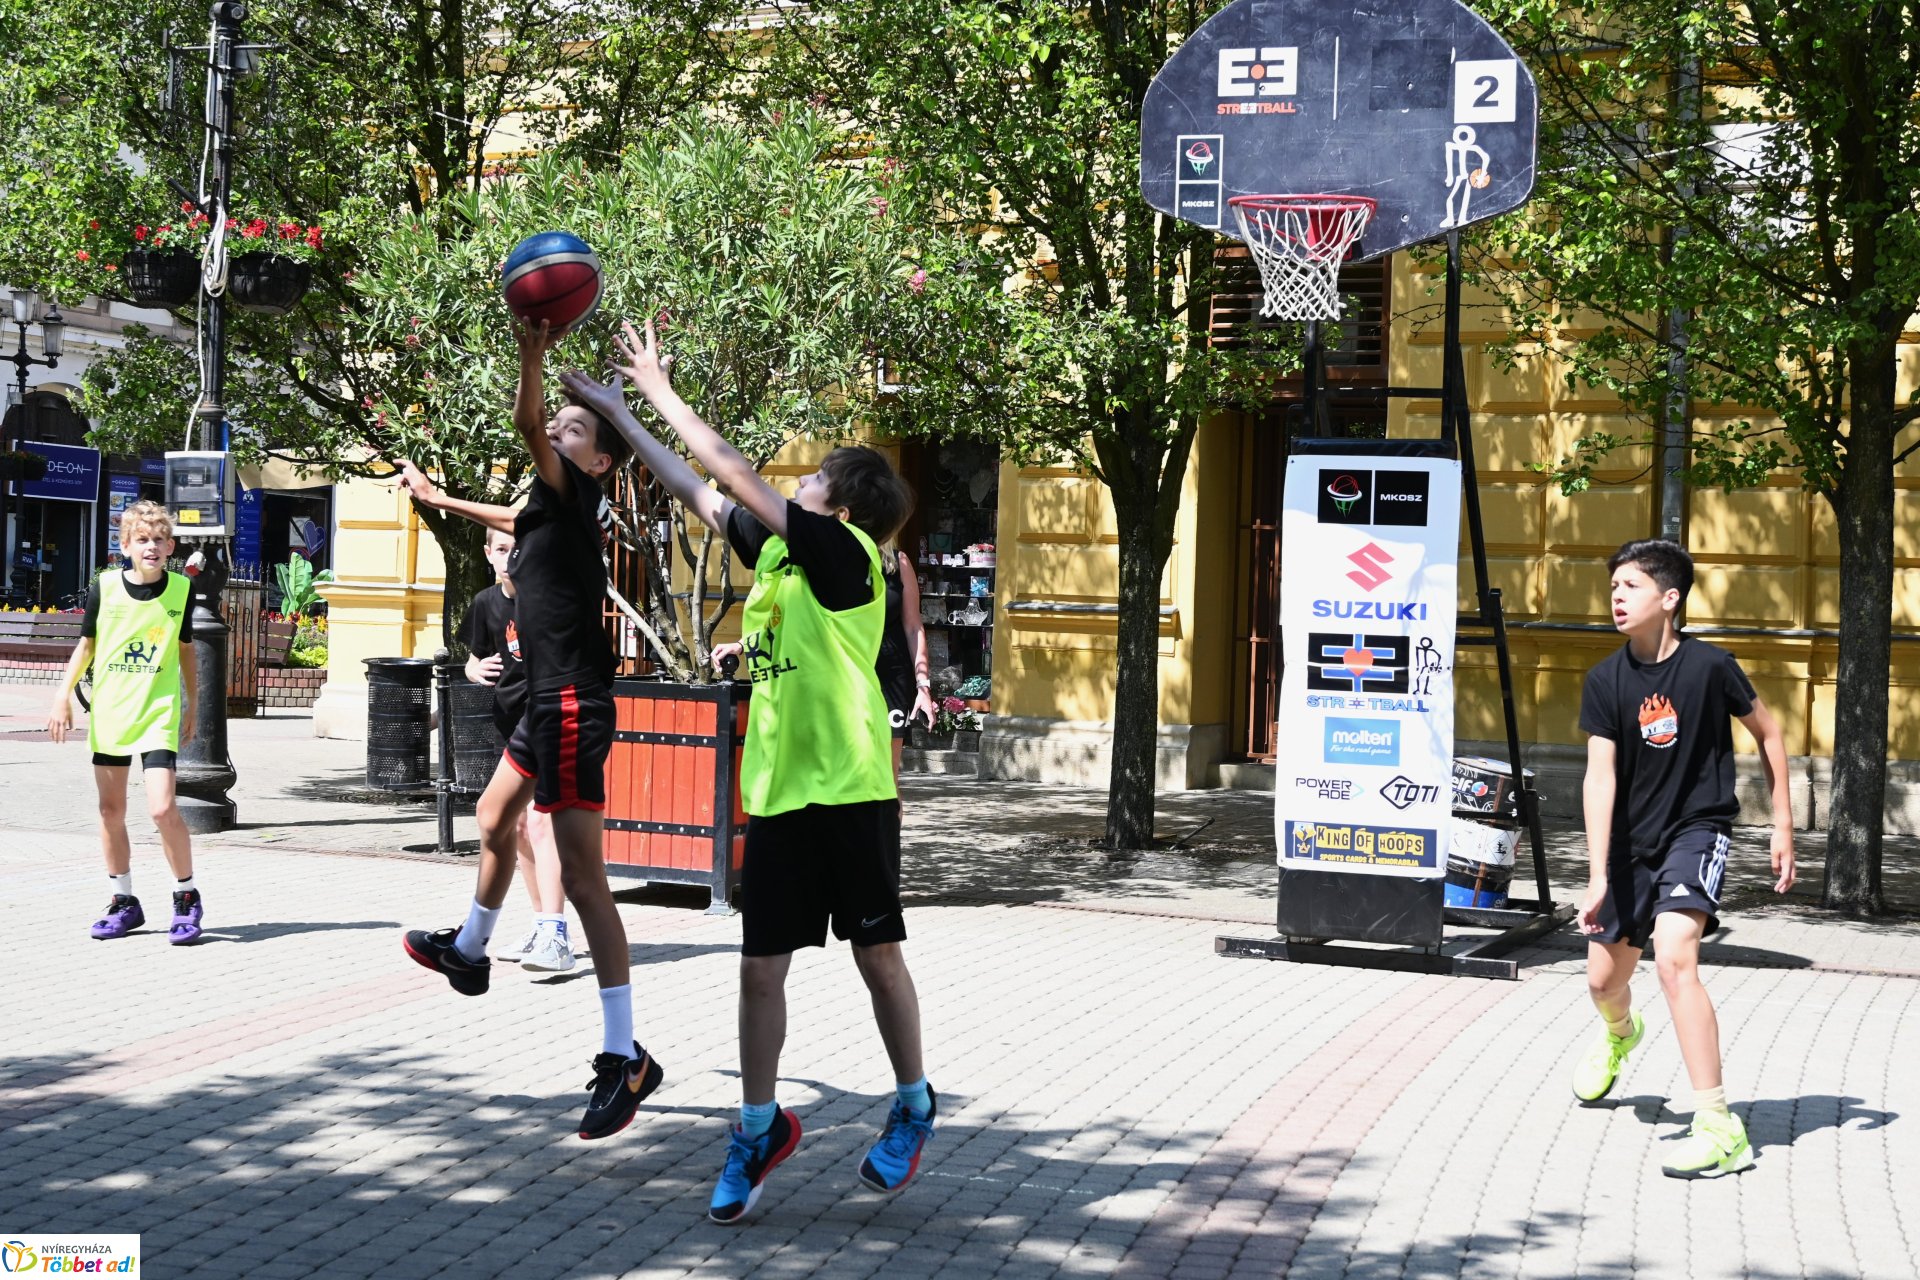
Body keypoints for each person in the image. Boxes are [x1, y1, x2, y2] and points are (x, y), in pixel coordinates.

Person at [561, 319, 935, 1225]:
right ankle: (759, 1126)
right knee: (758, 971)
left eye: (810, 480)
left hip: (850, 789)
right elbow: (694, 485)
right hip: (777, 797)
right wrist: (618, 412)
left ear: (839, 507)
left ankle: (914, 1101)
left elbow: (726, 465)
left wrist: (654, 386)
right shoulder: (780, 558)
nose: (794, 484)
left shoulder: (849, 558)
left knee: (876, 956)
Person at [398, 317, 663, 1141]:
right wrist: (440, 500)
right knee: (490, 818)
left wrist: (533, 354)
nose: (556, 428)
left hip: (575, 704)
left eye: (574, 428)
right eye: (559, 422)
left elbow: (524, 425)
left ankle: (628, 1059)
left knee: (585, 882)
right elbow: (516, 520)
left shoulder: (574, 488)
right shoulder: (548, 509)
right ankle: (471, 950)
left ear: (598, 461)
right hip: (543, 703)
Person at [1572, 538, 1795, 1179]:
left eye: (1631, 586)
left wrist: (1782, 825)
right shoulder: (1604, 680)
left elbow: (1770, 733)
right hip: (1627, 847)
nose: (1616, 597)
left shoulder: (1710, 667)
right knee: (1601, 983)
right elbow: (1599, 779)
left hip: (1696, 831)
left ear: (1669, 598)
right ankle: (1620, 1034)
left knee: (1673, 958)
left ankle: (1719, 1124)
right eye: (1613, 586)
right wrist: (1594, 877)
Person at [47, 500, 203, 944]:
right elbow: (86, 645)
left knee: (161, 807)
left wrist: (191, 703)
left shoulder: (181, 591)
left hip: (157, 711)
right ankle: (123, 901)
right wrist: (62, 695)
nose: (150, 547)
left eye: (158, 540)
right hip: (112, 711)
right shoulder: (106, 587)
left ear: (170, 546)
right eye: (142, 540)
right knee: (110, 810)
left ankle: (186, 898)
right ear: (125, 545)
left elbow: (187, 649)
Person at [710, 541, 935, 787]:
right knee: (838, 773)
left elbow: (913, 627)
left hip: (890, 679)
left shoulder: (897, 562)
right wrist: (743, 644)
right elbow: (787, 613)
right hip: (840, 678)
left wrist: (923, 687)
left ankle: (883, 826)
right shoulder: (829, 558)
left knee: (886, 778)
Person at [459, 526, 574, 973]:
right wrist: (473, 670)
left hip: (548, 720)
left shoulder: (546, 597)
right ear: (489, 554)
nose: (509, 558)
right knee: (520, 826)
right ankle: (541, 926)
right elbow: (475, 659)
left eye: (517, 549)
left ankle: (557, 932)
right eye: (501, 549)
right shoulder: (486, 603)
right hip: (508, 724)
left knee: (543, 822)